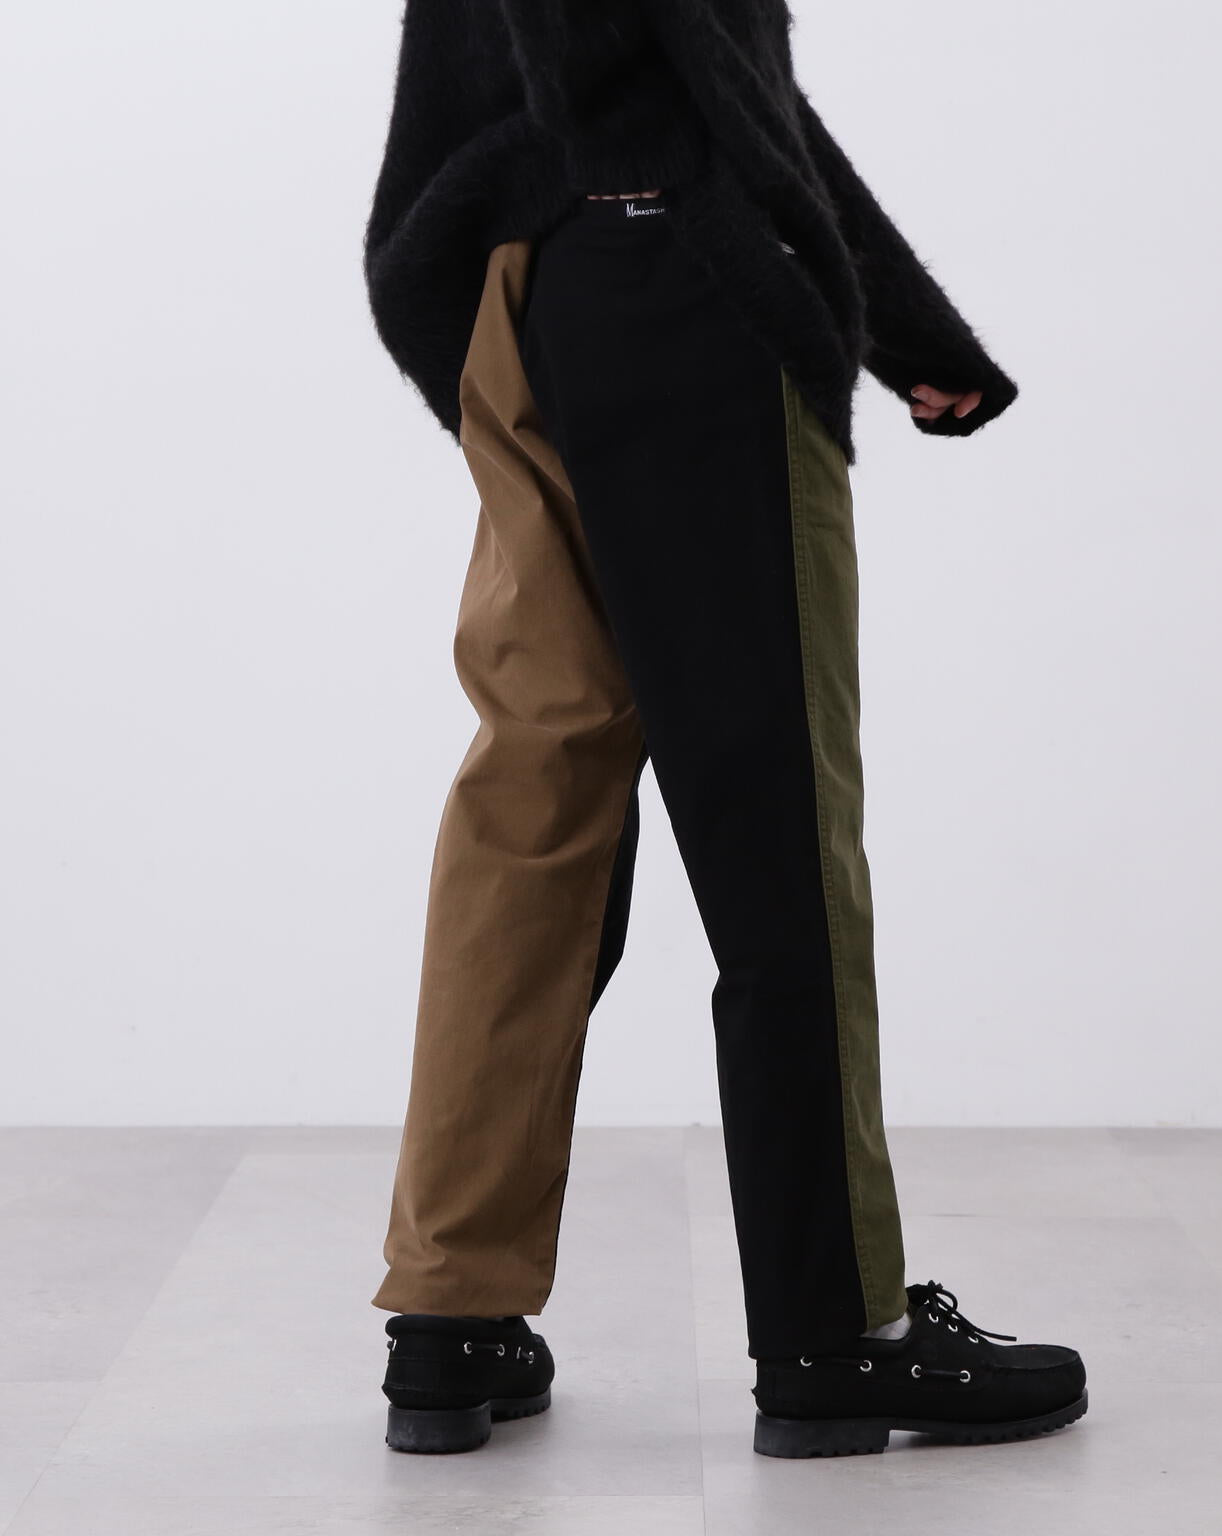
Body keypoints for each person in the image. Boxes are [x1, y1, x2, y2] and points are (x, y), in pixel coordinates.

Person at [364, 0, 1086, 1458]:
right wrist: (787, 279)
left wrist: (898, 320)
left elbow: (707, 86)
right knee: (777, 830)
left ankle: (449, 1317)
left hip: (521, 289)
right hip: (677, 292)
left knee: (535, 806)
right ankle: (835, 1332)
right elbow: (700, 79)